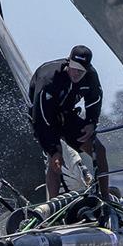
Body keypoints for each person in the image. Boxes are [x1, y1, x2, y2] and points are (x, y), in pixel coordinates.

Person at [28, 45, 109, 200]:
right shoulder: (49, 79)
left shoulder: (90, 75)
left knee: (99, 149)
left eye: (81, 70)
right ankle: (52, 207)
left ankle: (106, 198)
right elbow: (42, 120)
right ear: (68, 62)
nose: (77, 73)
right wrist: (52, 150)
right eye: (75, 68)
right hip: (43, 118)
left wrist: (91, 122)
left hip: (67, 114)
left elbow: (95, 99)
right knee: (56, 161)